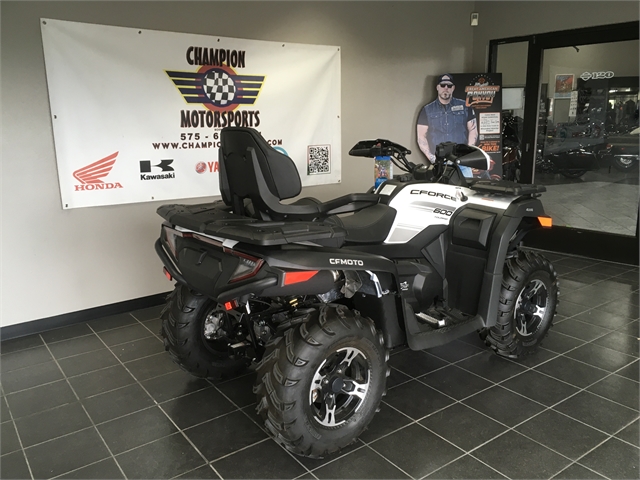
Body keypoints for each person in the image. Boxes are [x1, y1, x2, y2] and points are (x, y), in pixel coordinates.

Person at [417, 74, 478, 177]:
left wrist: (467, 153)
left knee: (466, 186)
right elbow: (421, 136)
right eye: (442, 85)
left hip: (462, 162)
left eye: (449, 86)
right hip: (439, 163)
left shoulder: (465, 106)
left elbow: (473, 130)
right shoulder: (427, 110)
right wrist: (432, 158)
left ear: (453, 88)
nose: (446, 88)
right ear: (437, 87)